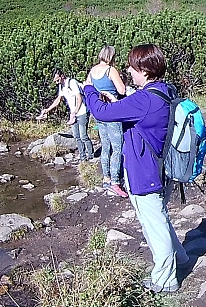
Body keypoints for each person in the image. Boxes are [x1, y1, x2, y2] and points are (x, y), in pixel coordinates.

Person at [81, 44, 188, 293]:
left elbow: (100, 113)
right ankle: (180, 258)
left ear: (144, 69)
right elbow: (136, 111)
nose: (128, 70)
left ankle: (165, 280)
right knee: (159, 216)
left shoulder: (144, 99)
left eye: (132, 66)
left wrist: (88, 89)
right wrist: (117, 100)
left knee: (154, 224)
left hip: (146, 172)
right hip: (164, 167)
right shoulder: (164, 91)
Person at [87, 46, 128, 198]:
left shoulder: (93, 70)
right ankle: (115, 182)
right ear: (112, 56)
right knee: (117, 147)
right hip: (112, 110)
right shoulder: (111, 71)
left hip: (99, 111)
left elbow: (87, 86)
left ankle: (106, 178)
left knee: (105, 146)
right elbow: (122, 90)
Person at [37, 68, 94, 161]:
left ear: (62, 76)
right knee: (76, 136)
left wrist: (75, 112)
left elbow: (79, 98)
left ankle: (91, 155)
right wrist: (47, 110)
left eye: (58, 80)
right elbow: (58, 100)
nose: (57, 83)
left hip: (82, 112)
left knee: (83, 135)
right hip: (73, 114)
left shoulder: (72, 83)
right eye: (55, 81)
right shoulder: (61, 86)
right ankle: (83, 157)